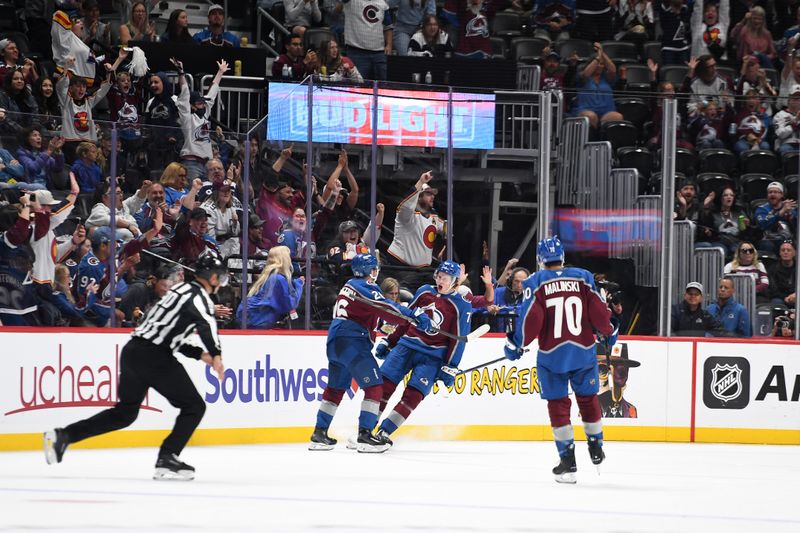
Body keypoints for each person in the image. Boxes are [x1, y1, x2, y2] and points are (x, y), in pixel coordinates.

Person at [43, 254, 227, 481]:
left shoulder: (179, 291)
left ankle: (64, 435)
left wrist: (201, 355)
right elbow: (207, 326)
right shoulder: (198, 297)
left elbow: (167, 331)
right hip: (154, 356)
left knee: (125, 413)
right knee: (194, 406)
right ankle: (167, 458)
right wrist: (216, 355)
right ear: (214, 278)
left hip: (134, 351)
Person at [503, 236, 617, 483]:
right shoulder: (583, 276)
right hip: (583, 350)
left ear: (540, 260)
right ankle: (596, 445)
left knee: (557, 405)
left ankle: (568, 462)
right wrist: (609, 331)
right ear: (562, 256)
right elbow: (598, 312)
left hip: (552, 355)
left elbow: (531, 319)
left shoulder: (536, 281)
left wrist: (517, 343)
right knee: (587, 399)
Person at [309, 253, 434, 452]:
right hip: (353, 342)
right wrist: (414, 315)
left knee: (335, 388)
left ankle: (319, 433)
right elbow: (387, 308)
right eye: (374, 268)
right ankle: (365, 435)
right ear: (369, 270)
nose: (377, 271)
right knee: (375, 386)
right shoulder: (366, 287)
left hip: (336, 341)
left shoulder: (349, 285)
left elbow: (367, 313)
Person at [374, 261, 472, 446]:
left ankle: (385, 431)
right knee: (383, 386)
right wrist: (390, 340)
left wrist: (450, 367)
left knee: (413, 396)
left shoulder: (461, 306)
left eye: (446, 277)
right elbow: (405, 319)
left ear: (455, 282)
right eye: (439, 275)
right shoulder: (424, 291)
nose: (441, 279)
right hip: (406, 346)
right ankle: (366, 429)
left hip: (432, 357)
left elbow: (457, 341)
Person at [173, 57, 229, 180]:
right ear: (192, 106)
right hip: (191, 163)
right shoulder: (187, 118)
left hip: (208, 164)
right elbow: (184, 94)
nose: (203, 105)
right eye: (199, 103)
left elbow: (212, 95)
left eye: (203, 103)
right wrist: (181, 73)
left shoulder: (204, 115)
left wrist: (220, 72)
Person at [386, 171, 445, 267]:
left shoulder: (434, 218)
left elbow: (447, 231)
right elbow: (407, 205)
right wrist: (421, 182)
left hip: (421, 271)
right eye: (428, 194)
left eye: (433, 194)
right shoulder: (407, 215)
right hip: (399, 266)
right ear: (419, 197)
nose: (433, 197)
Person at [236, 245, 303, 329]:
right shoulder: (278, 279)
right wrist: (299, 284)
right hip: (256, 320)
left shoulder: (269, 276)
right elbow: (289, 305)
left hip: (249, 317)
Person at [572, 42, 624, 130]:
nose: (599, 66)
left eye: (602, 64)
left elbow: (613, 70)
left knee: (617, 116)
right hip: (586, 109)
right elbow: (586, 74)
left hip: (606, 111)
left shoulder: (607, 78)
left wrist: (602, 52)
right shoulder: (583, 76)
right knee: (591, 116)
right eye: (597, 63)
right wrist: (598, 57)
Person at [342, 0, 393, 80]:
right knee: (358, 86)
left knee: (383, 86)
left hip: (379, 53)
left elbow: (388, 27)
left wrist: (389, 45)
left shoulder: (382, 3)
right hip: (357, 52)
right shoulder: (350, 2)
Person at [754, 181, 797, 253]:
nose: (772, 194)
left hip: (787, 240)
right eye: (770, 192)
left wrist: (792, 217)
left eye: (775, 192)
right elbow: (763, 224)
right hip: (769, 239)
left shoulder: (789, 208)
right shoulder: (761, 209)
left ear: (782, 195)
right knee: (766, 245)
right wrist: (781, 213)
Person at [768, 240, 796, 306]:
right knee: (776, 302)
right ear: (780, 253)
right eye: (783, 250)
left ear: (794, 253)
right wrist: (785, 298)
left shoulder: (798, 268)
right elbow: (773, 290)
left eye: (788, 250)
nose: (785, 252)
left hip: (796, 296)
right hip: (780, 298)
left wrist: (796, 295)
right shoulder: (772, 269)